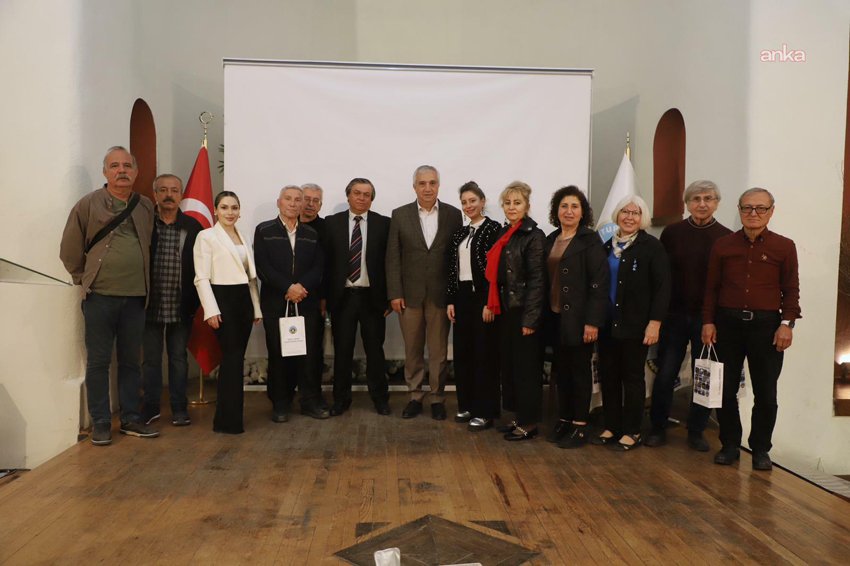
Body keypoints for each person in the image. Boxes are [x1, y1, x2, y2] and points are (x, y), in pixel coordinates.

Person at [60, 146, 158, 445]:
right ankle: (101, 422)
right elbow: (69, 249)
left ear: (136, 172)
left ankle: (130, 418)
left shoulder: (145, 206)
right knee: (99, 362)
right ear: (105, 172)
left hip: (136, 297)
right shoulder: (88, 204)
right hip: (100, 297)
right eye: (114, 166)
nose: (121, 171)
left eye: (127, 165)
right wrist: (83, 279)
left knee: (130, 362)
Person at [702, 188, 800, 471]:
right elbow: (711, 288)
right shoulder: (723, 245)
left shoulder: (784, 246)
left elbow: (791, 289)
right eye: (747, 208)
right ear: (739, 210)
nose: (753, 213)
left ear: (771, 211)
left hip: (766, 328)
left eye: (760, 208)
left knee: (766, 393)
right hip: (727, 325)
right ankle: (730, 445)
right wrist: (708, 321)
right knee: (725, 390)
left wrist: (786, 324)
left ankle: (760, 449)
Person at [646, 181, 732, 450]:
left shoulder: (726, 237)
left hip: (707, 320)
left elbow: (725, 283)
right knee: (665, 374)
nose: (702, 204)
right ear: (687, 203)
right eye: (696, 199)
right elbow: (661, 276)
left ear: (717, 203)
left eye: (708, 198)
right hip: (673, 316)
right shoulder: (672, 233)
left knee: (702, 376)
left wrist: (713, 320)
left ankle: (696, 430)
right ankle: (657, 427)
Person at [594, 195, 670, 451]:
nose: (629, 217)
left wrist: (655, 323)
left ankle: (632, 430)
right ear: (617, 215)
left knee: (633, 378)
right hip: (607, 324)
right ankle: (612, 426)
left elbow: (662, 289)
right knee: (609, 376)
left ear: (642, 217)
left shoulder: (652, 247)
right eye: (625, 212)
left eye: (635, 213)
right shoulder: (606, 246)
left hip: (636, 325)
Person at [386, 165, 463, 420]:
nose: (427, 188)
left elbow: (456, 257)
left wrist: (454, 294)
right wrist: (395, 293)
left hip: (440, 295)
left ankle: (437, 398)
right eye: (422, 183)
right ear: (414, 187)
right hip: (409, 295)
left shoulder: (453, 214)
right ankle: (415, 396)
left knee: (439, 351)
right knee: (413, 350)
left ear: (438, 185)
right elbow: (393, 257)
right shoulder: (400, 215)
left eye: (432, 183)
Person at [543, 186, 609, 448]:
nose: (568, 211)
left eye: (574, 206)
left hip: (581, 320)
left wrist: (592, 322)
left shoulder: (590, 240)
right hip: (555, 318)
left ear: (583, 212)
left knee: (579, 372)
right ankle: (565, 418)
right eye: (564, 206)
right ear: (556, 211)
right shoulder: (551, 239)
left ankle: (580, 424)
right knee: (562, 371)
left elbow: (599, 284)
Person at [254, 185, 327, 421]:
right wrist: (288, 287)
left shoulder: (312, 234)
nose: (294, 203)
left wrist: (301, 288)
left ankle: (309, 402)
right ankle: (281, 404)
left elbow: (318, 267)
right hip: (276, 304)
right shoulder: (264, 230)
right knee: (278, 354)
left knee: (309, 355)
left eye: (298, 199)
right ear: (279, 202)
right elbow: (263, 266)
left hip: (306, 303)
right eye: (288, 199)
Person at [193, 191, 261, 434]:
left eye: (234, 207)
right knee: (231, 359)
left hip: (243, 301)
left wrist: (256, 307)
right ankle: (228, 422)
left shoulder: (243, 236)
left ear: (239, 211)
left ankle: (228, 419)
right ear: (215, 210)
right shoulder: (206, 236)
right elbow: (201, 277)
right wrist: (210, 310)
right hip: (222, 300)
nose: (230, 212)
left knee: (236, 359)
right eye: (224, 207)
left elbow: (250, 277)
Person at [324, 178, 391, 416]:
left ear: (372, 199)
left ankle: (380, 399)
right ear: (348, 196)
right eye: (357, 193)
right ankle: (341, 400)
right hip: (342, 298)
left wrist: (389, 297)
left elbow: (390, 263)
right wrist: (325, 298)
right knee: (342, 351)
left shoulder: (384, 224)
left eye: (367, 194)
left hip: (373, 298)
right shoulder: (331, 223)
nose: (362, 198)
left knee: (375, 351)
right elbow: (325, 262)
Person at [486, 181, 546, 441]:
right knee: (510, 367)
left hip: (524, 312)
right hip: (506, 311)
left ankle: (529, 423)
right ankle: (516, 416)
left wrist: (530, 319)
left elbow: (537, 281)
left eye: (517, 203)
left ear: (527, 206)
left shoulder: (534, 236)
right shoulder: (504, 233)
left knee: (526, 369)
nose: (512, 207)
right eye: (508, 203)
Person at [141, 173, 203, 427]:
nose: (169, 195)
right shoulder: (145, 224)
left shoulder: (193, 227)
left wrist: (196, 302)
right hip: (149, 304)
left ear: (181, 195)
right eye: (163, 190)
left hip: (181, 305)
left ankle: (179, 408)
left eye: (174, 190)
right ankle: (151, 408)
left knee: (178, 359)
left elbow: (201, 267)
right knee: (151, 360)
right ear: (154, 194)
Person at [446, 181, 501, 430]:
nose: (468, 206)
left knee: (484, 355)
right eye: (464, 202)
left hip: (483, 298)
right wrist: (450, 300)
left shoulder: (493, 229)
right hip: (462, 297)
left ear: (483, 201)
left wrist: (490, 302)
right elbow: (451, 269)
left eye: (473, 201)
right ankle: (467, 405)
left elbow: (495, 270)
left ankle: (485, 411)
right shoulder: (459, 233)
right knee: (463, 353)